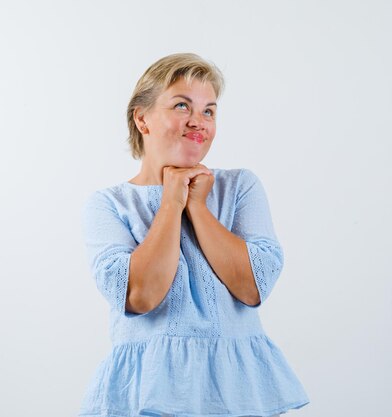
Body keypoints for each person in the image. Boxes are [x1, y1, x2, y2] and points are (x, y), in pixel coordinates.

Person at [78, 53, 310, 417]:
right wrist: (171, 201)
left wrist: (198, 207)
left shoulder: (240, 187)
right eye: (182, 105)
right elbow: (139, 295)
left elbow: (254, 285)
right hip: (148, 395)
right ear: (142, 118)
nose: (197, 122)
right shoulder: (108, 205)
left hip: (237, 392)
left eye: (209, 111)